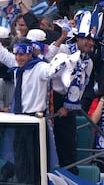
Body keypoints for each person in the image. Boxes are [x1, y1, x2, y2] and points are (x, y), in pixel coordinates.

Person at [0, 15, 78, 184]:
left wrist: (64, 63)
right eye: (17, 55)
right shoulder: (17, 65)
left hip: (35, 122)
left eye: (22, 55)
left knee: (38, 166)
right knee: (21, 165)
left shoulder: (39, 67)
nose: (18, 58)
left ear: (30, 55)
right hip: (19, 121)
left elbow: (50, 71)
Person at [45, 12, 95, 175]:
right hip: (51, 98)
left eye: (91, 40)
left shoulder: (89, 61)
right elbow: (47, 58)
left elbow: (80, 86)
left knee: (68, 145)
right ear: (77, 38)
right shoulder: (65, 49)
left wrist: (68, 107)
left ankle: (69, 176)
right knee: (48, 143)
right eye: (85, 39)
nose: (89, 43)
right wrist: (61, 37)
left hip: (70, 103)